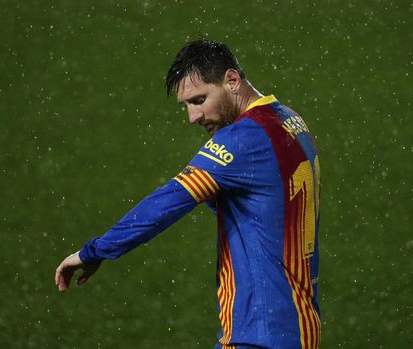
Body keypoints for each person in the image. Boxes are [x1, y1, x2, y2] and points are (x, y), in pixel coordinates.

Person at [55, 39, 322, 349]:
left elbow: (166, 203)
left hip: (259, 331)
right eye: (186, 105)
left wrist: (94, 250)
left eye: (199, 100)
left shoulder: (242, 139)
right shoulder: (290, 119)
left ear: (231, 81)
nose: (192, 117)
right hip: (299, 327)